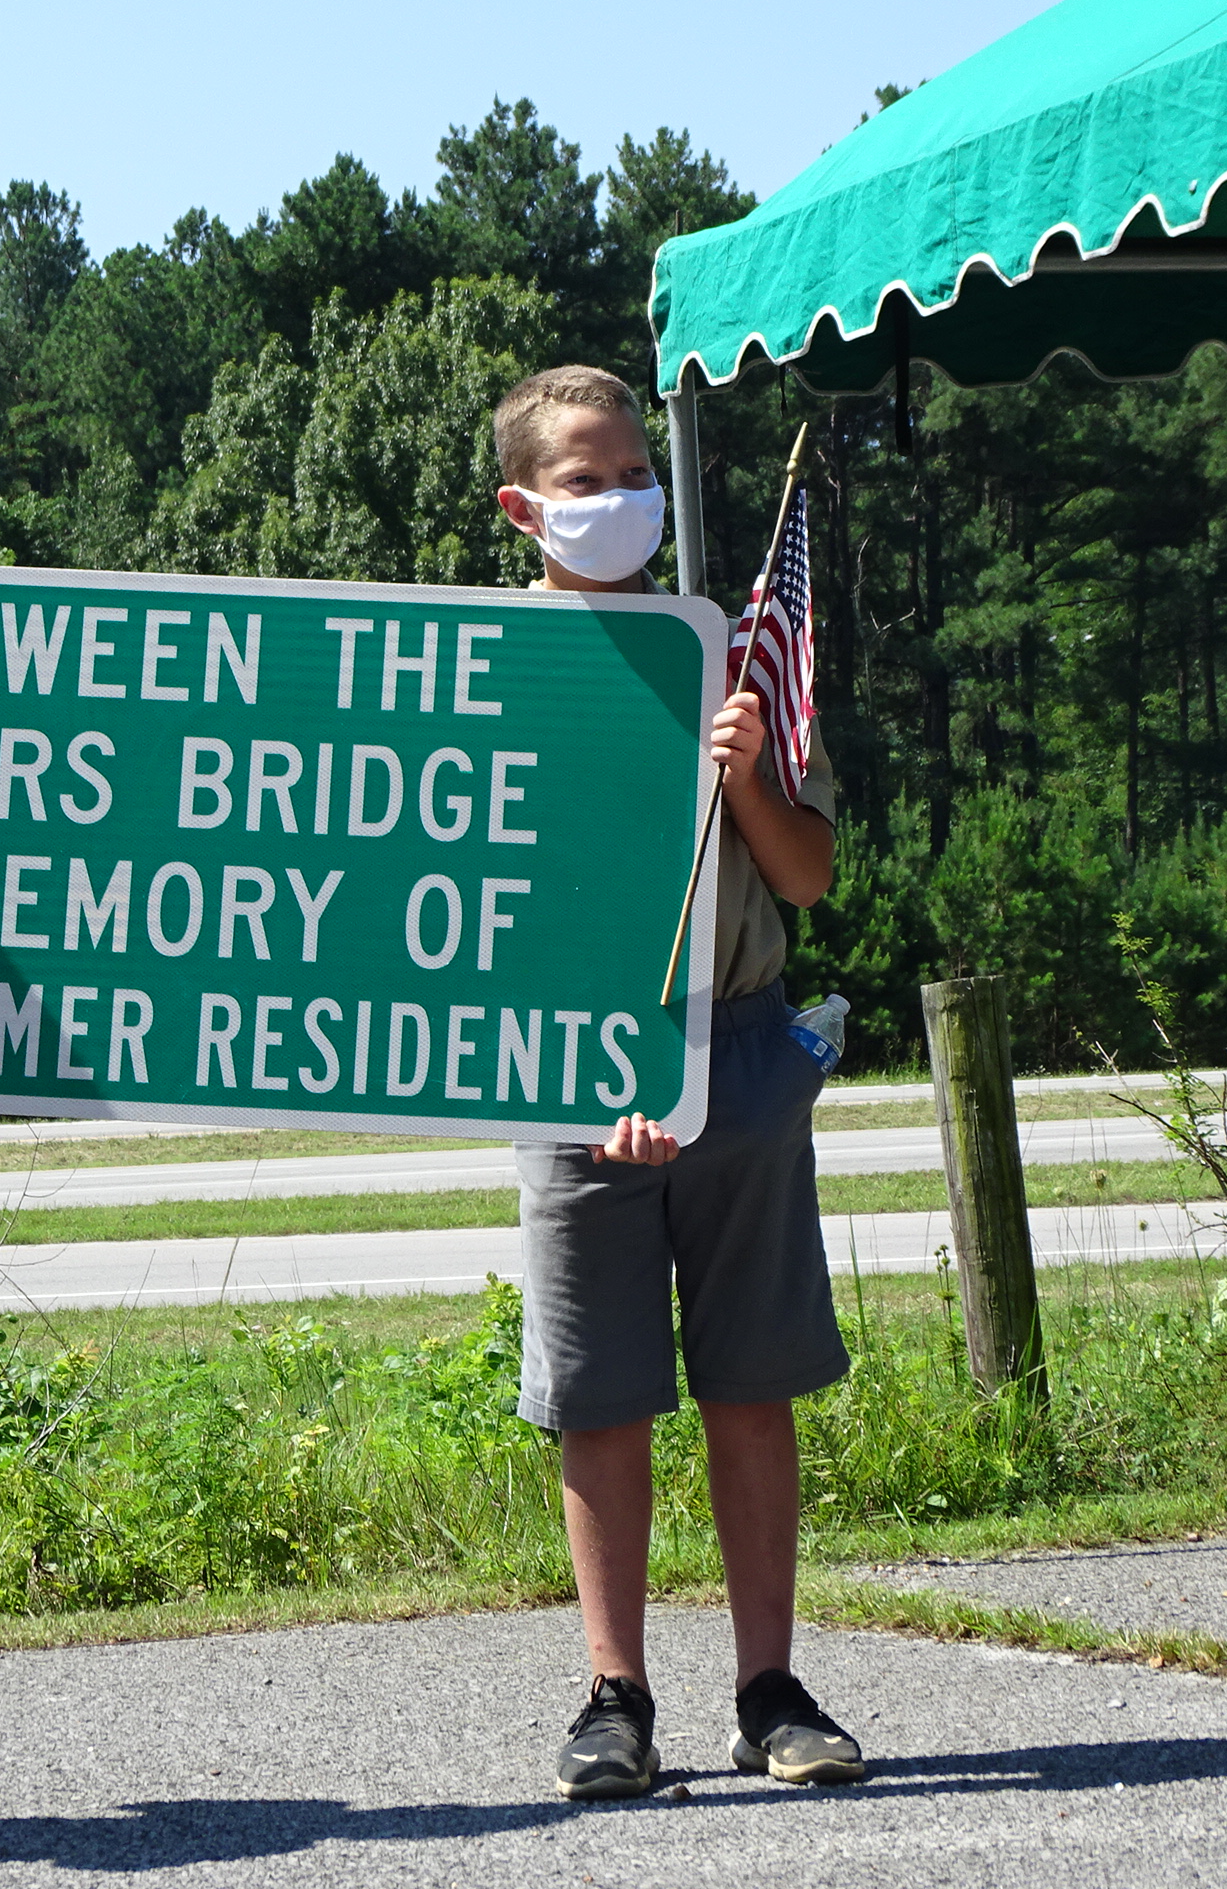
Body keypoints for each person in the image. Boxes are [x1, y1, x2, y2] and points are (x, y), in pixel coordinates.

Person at [491, 366, 866, 1800]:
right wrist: (586, 1069)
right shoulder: (485, 667)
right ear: (524, 506)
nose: (620, 498)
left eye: (636, 469)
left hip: (746, 1052)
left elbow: (808, 877)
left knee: (751, 1386)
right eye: (585, 480)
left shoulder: (730, 652)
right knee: (599, 1397)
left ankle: (770, 1689)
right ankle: (614, 1698)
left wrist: (751, 772)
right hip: (567, 1079)